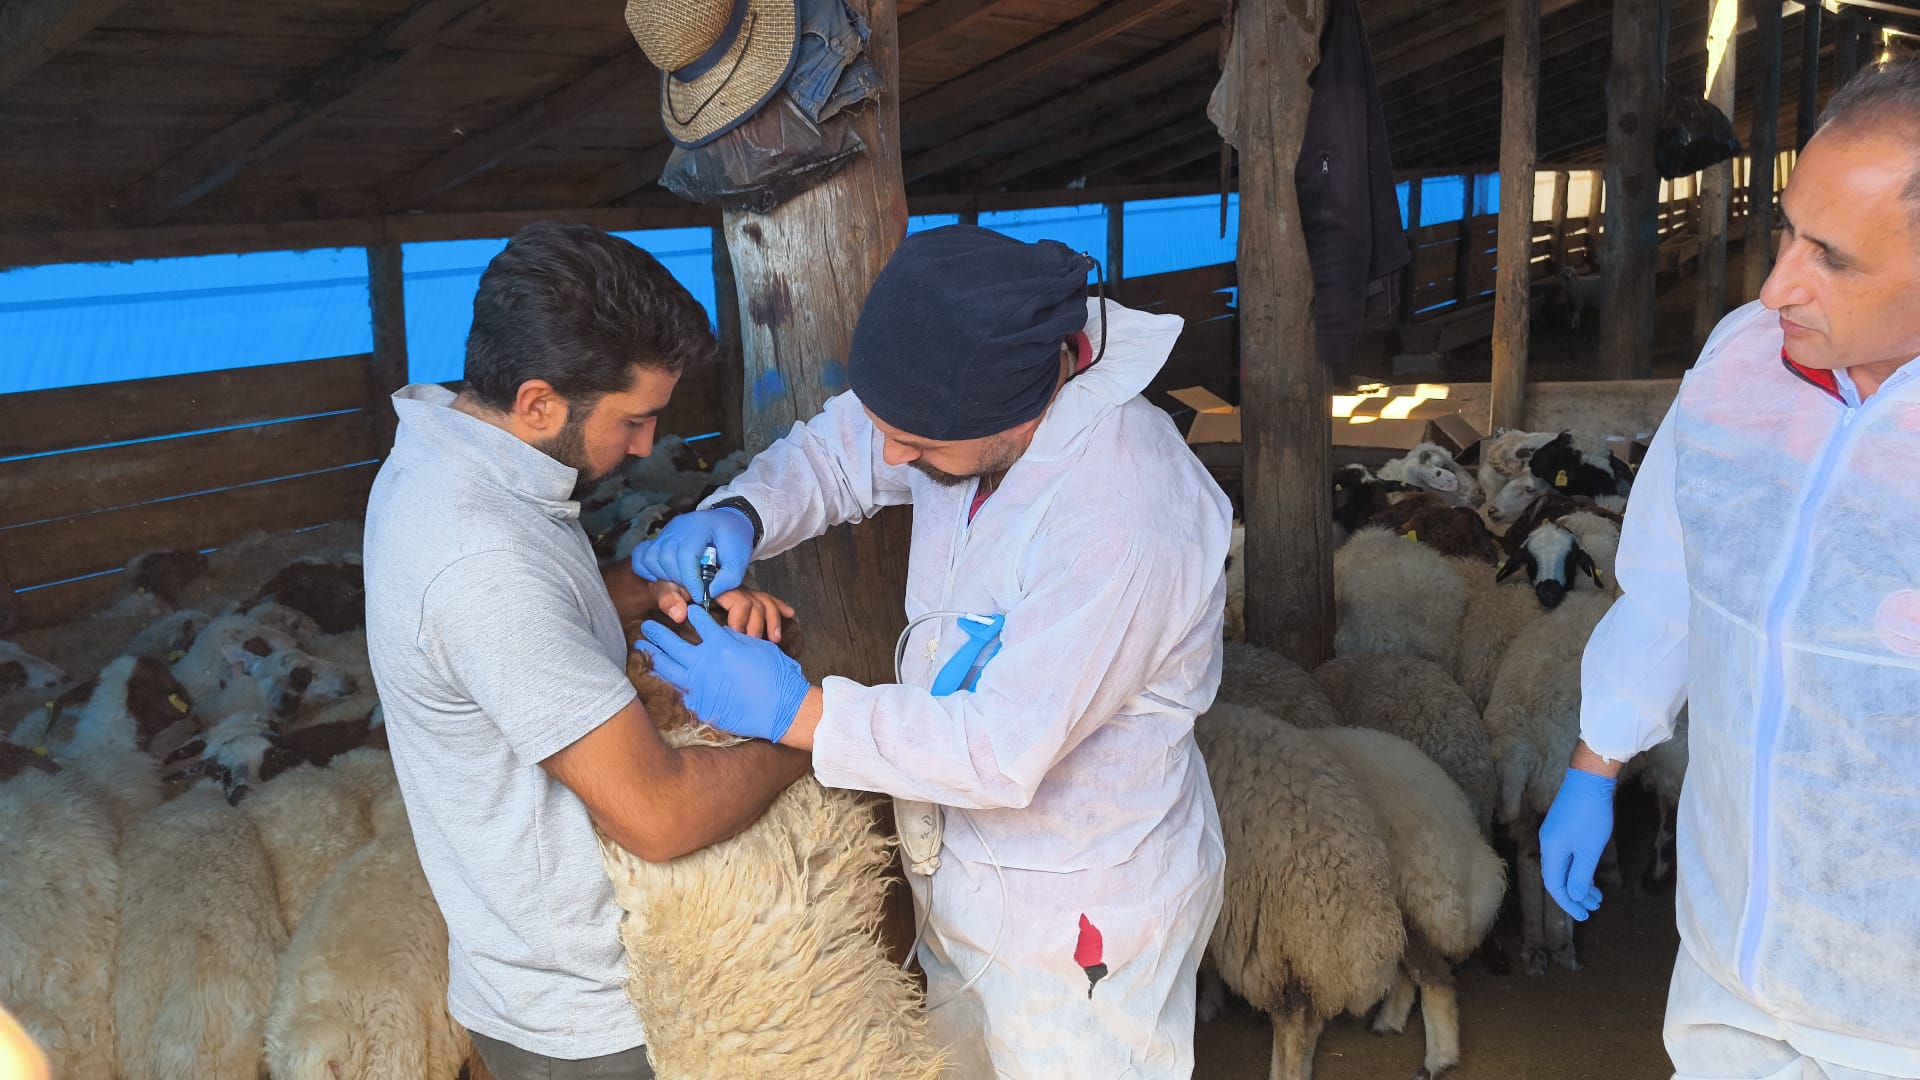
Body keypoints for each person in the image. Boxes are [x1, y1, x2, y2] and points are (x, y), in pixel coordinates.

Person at [629, 224, 1232, 1079]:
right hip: (961, 877)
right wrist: (745, 513)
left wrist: (795, 710)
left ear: (1016, 411)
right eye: (890, 429)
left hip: (1081, 919)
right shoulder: (964, 410)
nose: (892, 459)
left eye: (917, 447)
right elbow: (845, 448)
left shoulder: (1126, 516)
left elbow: (1001, 748)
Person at [1539, 56, 1920, 1079]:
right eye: (1787, 228)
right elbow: (1669, 583)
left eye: (1831, 258)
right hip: (1727, 972)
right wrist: (1598, 762)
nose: (1775, 284)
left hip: (1895, 1008)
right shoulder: (1745, 361)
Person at [362, 222, 801, 1080]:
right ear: (537, 403)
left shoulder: (453, 459)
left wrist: (648, 582)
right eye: (634, 421)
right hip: (592, 1021)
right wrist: (805, 733)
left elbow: (537, 615)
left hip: (550, 972)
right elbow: (659, 816)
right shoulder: (481, 561)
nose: (644, 447)